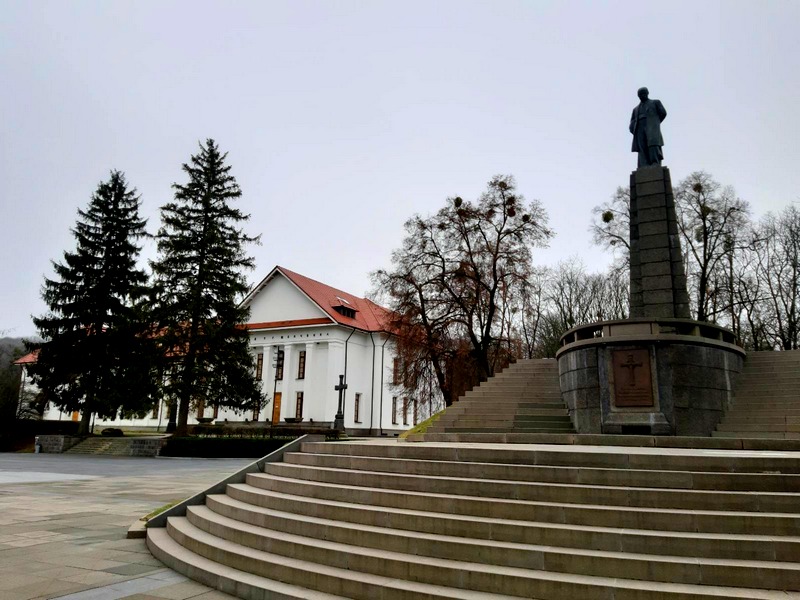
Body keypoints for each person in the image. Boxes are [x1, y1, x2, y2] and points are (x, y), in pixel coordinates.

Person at [630, 87, 667, 167]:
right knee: (642, 146)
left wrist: (655, 123)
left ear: (647, 93)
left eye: (643, 94)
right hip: (639, 128)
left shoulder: (655, 102)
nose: (642, 96)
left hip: (651, 127)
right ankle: (644, 164)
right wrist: (632, 127)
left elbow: (663, 113)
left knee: (653, 144)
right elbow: (632, 120)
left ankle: (655, 162)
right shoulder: (635, 109)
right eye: (640, 95)